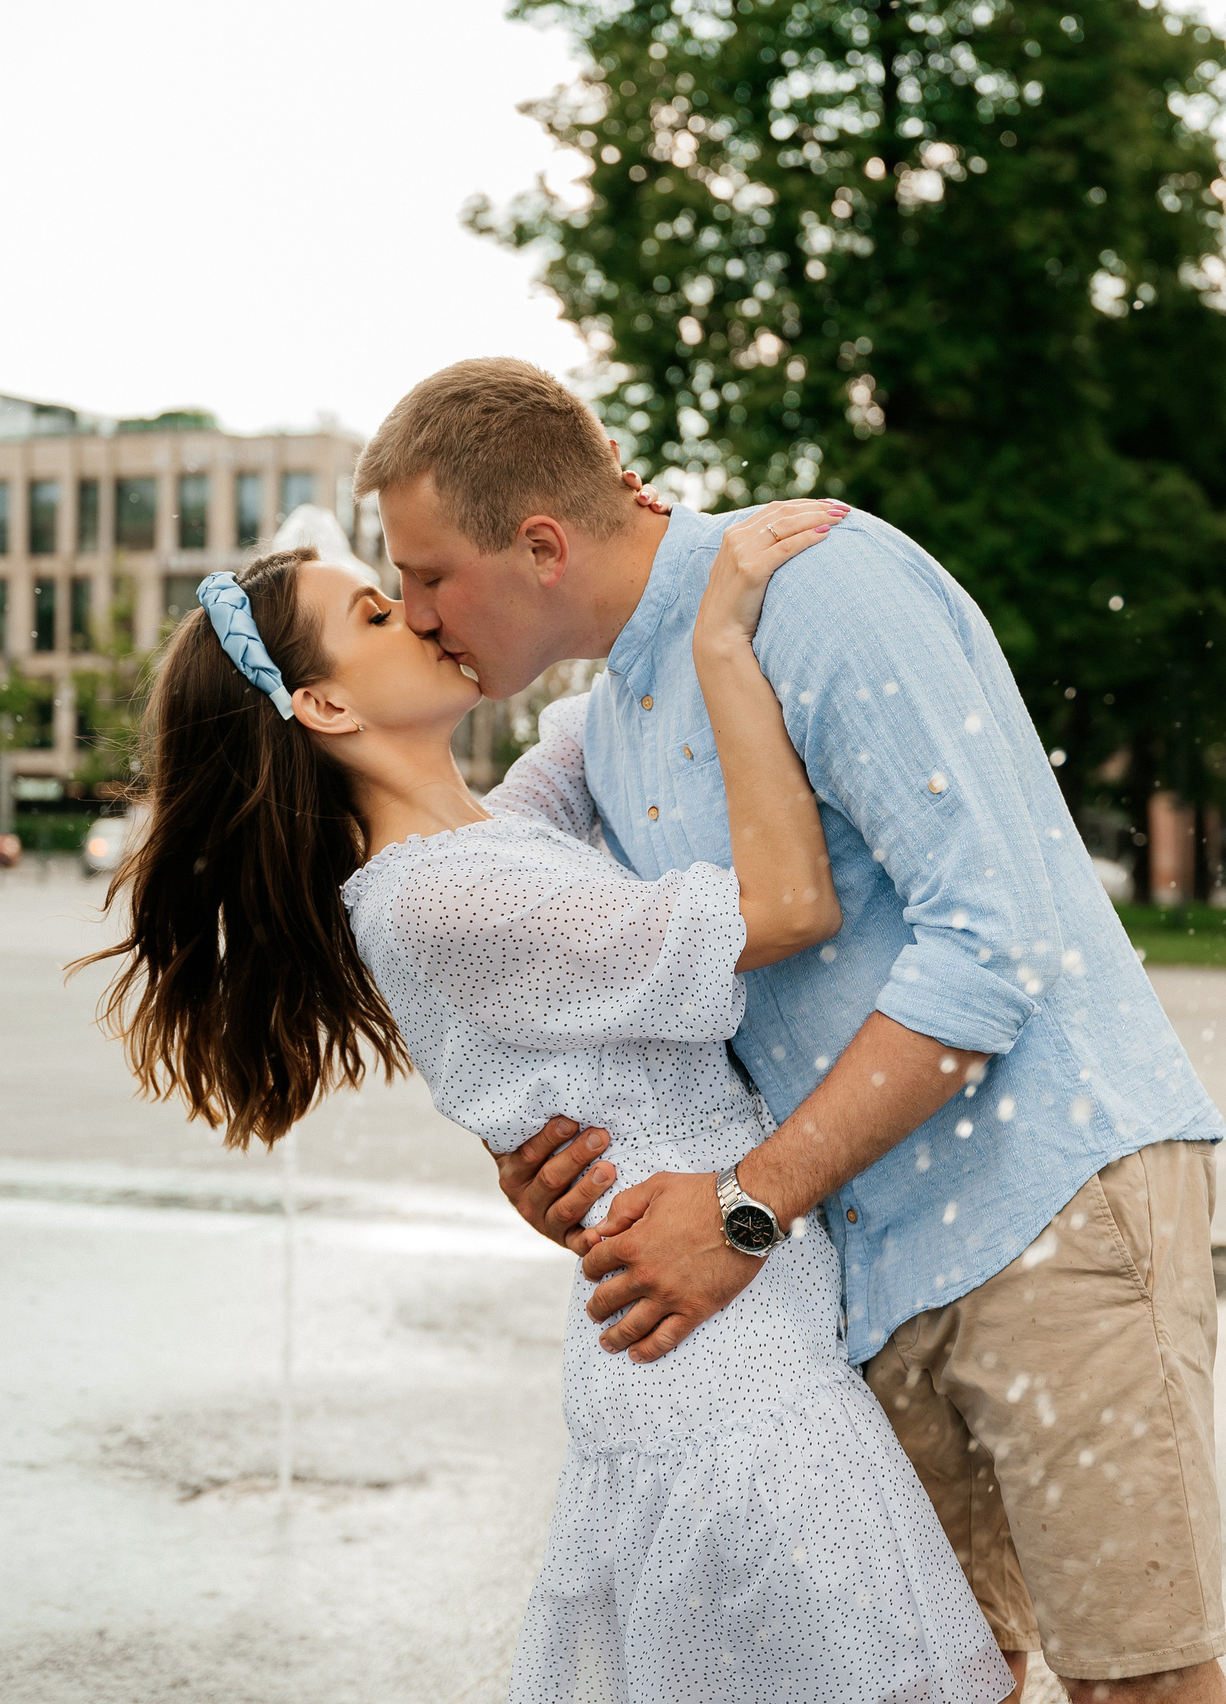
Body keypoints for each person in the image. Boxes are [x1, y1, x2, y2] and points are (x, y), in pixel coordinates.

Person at [365, 360, 1226, 1703]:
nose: (419, 618)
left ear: (538, 547)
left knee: (1142, 1688)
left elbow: (990, 947)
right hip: (866, 1263)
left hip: (1050, 1207)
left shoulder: (816, 584)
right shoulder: (607, 725)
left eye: (426, 578)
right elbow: (481, 915)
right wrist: (530, 1145)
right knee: (949, 1681)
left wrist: (744, 1209)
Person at [79, 527, 1013, 1704]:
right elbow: (788, 905)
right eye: (376, 614)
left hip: (722, 1336)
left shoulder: (479, 844)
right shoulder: (443, 896)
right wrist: (720, 643)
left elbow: (586, 718)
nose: (418, 618)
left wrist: (625, 563)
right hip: (721, 1368)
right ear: (319, 705)